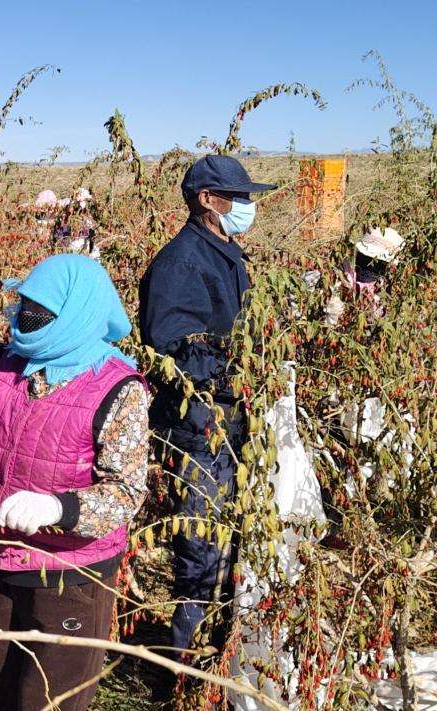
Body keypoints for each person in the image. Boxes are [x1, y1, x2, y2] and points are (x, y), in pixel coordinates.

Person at [0, 254, 150, 711]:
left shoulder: (117, 389)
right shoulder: (4, 364)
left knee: (49, 699)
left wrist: (59, 509)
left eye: (39, 313)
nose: (24, 320)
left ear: (77, 313)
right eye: (22, 307)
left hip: (72, 576)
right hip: (4, 561)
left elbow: (126, 492)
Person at [137, 154, 275, 655]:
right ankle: (185, 668)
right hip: (199, 425)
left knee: (232, 540)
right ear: (206, 201)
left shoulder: (224, 251)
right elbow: (174, 347)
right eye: (239, 198)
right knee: (202, 546)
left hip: (229, 419)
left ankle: (220, 653)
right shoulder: (180, 263)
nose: (247, 206)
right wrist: (239, 363)